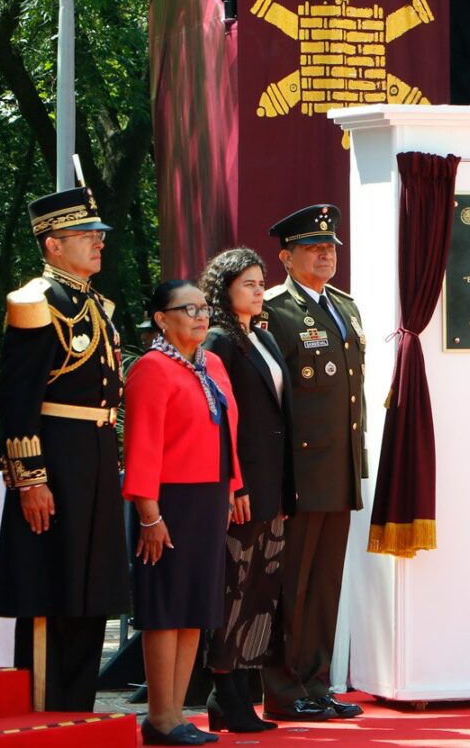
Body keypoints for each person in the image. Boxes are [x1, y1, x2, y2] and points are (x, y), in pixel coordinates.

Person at [0, 187, 129, 713]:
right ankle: (46, 711)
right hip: (58, 455)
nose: (97, 244)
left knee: (91, 589)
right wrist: (31, 478)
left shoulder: (93, 303)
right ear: (52, 245)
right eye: (84, 236)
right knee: (53, 587)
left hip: (93, 449)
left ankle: (79, 708)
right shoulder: (35, 302)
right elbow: (18, 401)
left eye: (97, 235)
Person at [258, 205, 367, 723]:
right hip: (299, 470)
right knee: (291, 582)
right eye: (312, 247)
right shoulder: (274, 310)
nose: (325, 253)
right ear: (285, 257)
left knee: (324, 583)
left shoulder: (345, 306)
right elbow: (271, 399)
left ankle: (317, 682)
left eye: (330, 247)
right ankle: (283, 686)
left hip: (339, 466)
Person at [124, 280, 243, 746]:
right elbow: (142, 445)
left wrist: (232, 487)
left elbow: (227, 430)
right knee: (165, 609)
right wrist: (150, 515)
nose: (200, 315)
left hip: (210, 495)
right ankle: (160, 715)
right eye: (187, 308)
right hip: (168, 500)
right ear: (161, 318)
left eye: (204, 307)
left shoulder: (210, 363)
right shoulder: (151, 369)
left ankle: (175, 716)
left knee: (195, 608)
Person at [199, 249, 294, 734]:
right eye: (249, 284)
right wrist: (233, 484)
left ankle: (240, 692)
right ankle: (224, 688)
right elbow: (222, 425)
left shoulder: (263, 337)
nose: (260, 291)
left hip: (274, 483)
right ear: (224, 290)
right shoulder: (218, 341)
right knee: (235, 587)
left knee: (262, 588)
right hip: (242, 486)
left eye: (261, 283)